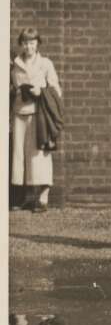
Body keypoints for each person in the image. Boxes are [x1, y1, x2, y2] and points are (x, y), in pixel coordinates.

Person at [10, 27, 61, 212]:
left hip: (39, 113)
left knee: (39, 153)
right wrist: (15, 91)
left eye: (32, 42)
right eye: (25, 42)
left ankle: (43, 197)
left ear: (38, 43)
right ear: (21, 44)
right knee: (19, 154)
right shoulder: (14, 64)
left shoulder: (45, 63)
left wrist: (41, 92)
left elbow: (56, 89)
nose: (29, 46)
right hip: (18, 113)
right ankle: (25, 196)